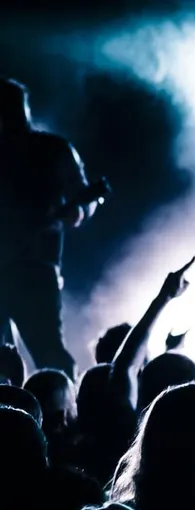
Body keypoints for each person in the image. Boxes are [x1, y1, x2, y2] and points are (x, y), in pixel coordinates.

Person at [0, 79, 101, 375]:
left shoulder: (52, 149)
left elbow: (83, 200)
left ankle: (64, 413)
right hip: (33, 267)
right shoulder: (52, 148)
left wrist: (77, 211)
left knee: (48, 353)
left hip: (34, 268)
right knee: (40, 353)